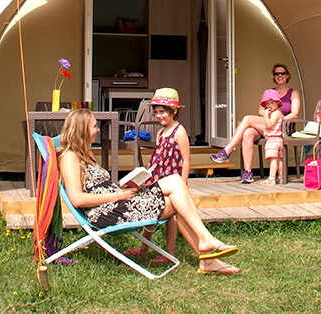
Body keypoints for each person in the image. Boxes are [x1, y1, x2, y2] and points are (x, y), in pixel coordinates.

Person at [58, 108, 240, 274]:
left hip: (118, 203)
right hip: (108, 213)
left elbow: (97, 187)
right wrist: (119, 195)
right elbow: (77, 199)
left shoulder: (85, 154)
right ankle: (207, 247)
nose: (98, 130)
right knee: (178, 196)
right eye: (94, 126)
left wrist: (124, 187)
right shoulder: (69, 157)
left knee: (176, 183)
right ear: (81, 130)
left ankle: (206, 250)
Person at [123, 88, 191, 264]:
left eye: (163, 112)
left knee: (170, 217)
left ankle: (169, 252)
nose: (159, 116)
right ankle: (143, 248)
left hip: (173, 179)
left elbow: (186, 159)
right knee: (152, 210)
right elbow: (157, 157)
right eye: (156, 112)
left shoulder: (179, 132)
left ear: (174, 111)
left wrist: (183, 184)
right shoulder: (161, 133)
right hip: (158, 177)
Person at [210, 63, 301, 183]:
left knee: (247, 119)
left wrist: (278, 118)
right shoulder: (269, 93)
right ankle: (247, 173)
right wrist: (269, 115)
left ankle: (227, 150)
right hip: (267, 125)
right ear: (273, 77)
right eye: (276, 73)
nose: (279, 76)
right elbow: (260, 110)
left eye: (282, 73)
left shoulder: (293, 93)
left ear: (288, 75)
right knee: (247, 133)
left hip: (283, 127)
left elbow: (294, 113)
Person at [259, 89, 284, 185]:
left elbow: (269, 125)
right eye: (267, 104)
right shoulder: (278, 112)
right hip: (278, 139)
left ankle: (271, 178)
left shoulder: (276, 113)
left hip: (273, 139)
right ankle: (281, 177)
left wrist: (265, 115)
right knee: (279, 159)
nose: (269, 106)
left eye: (272, 103)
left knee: (273, 159)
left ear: (278, 103)